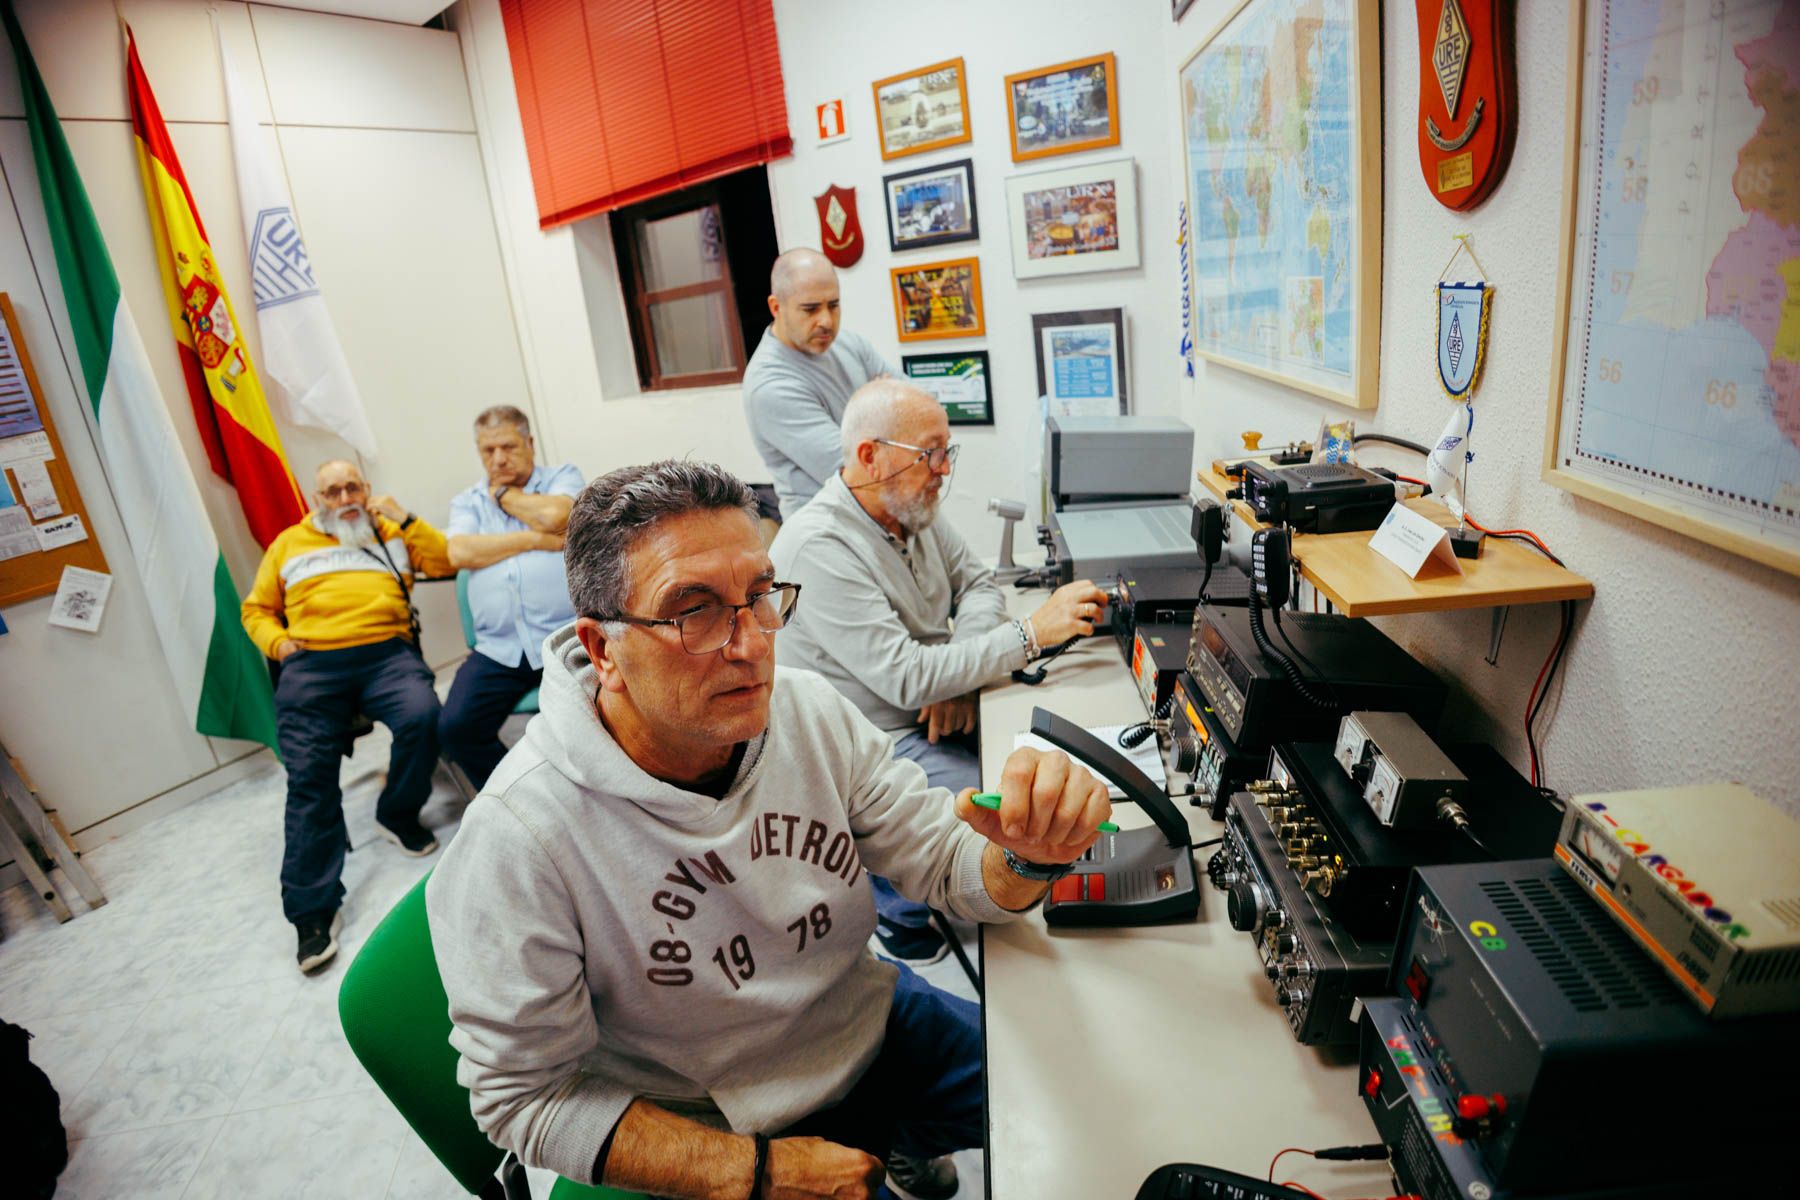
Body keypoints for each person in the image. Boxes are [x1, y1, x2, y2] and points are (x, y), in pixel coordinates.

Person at [426, 460, 1110, 1200]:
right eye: (696, 612)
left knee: (1097, 1099)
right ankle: (890, 1145)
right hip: (722, 1120)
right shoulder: (520, 838)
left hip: (869, 1022)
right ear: (602, 651)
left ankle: (901, 1136)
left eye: (758, 597)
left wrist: (1029, 859)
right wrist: (752, 1172)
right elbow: (525, 1097)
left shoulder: (806, 711)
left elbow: (944, 861)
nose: (751, 644)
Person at [768, 380, 1110, 964]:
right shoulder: (816, 546)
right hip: (883, 737)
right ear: (870, 456)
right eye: (931, 453)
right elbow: (905, 679)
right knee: (1004, 825)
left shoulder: (910, 508)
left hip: (927, 702)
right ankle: (904, 917)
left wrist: (956, 677)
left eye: (947, 451)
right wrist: (1031, 634)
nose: (943, 469)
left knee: (1057, 778)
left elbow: (976, 583)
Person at [242, 459, 452, 973]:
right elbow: (256, 610)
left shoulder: (388, 534)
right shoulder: (290, 544)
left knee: (425, 716)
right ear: (318, 498)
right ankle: (312, 912)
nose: (344, 497)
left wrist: (404, 519)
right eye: (332, 490)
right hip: (312, 664)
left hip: (388, 655)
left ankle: (396, 814)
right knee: (310, 777)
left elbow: (444, 562)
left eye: (352, 486)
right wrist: (280, 644)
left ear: (368, 490)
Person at [439, 405, 582, 790]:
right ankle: (518, 795)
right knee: (455, 729)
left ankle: (586, 797)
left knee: (597, 721)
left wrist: (503, 496)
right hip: (498, 649)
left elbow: (558, 517)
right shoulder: (468, 501)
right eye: (488, 451)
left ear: (530, 443)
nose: (498, 458)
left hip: (565, 637)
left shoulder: (562, 477)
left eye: (508, 447)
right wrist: (534, 540)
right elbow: (460, 553)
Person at [742, 247, 898, 520]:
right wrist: (886, 408)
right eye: (810, 309)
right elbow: (858, 470)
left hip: (881, 517)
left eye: (833, 305)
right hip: (826, 532)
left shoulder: (850, 344)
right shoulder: (770, 384)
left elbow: (920, 409)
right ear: (776, 307)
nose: (826, 321)